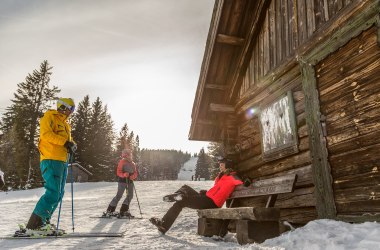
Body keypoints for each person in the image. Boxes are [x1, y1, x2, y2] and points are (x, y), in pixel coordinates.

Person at [18, 98, 77, 236]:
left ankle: (44, 221)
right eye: (71, 109)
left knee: (59, 194)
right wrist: (65, 142)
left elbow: (66, 141)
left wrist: (71, 144)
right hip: (51, 159)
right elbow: (46, 135)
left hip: (62, 161)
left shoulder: (66, 124)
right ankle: (34, 224)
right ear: (63, 107)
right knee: (53, 192)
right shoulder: (49, 117)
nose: (71, 112)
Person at [150, 157, 243, 234]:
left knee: (182, 202)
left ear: (228, 166)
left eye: (222, 165)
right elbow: (217, 191)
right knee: (185, 188)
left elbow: (242, 182)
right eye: (220, 165)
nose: (220, 167)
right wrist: (206, 192)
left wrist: (247, 181)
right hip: (207, 198)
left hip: (213, 203)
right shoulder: (220, 177)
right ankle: (177, 195)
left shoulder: (232, 177)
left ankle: (164, 224)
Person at [103, 148, 138, 218]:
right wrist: (124, 175)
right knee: (119, 195)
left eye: (130, 154)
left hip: (130, 181)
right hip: (122, 181)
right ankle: (110, 210)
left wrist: (133, 176)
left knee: (130, 196)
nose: (129, 156)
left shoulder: (133, 163)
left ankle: (123, 210)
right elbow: (118, 172)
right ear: (125, 155)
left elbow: (135, 173)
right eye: (128, 154)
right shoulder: (122, 162)